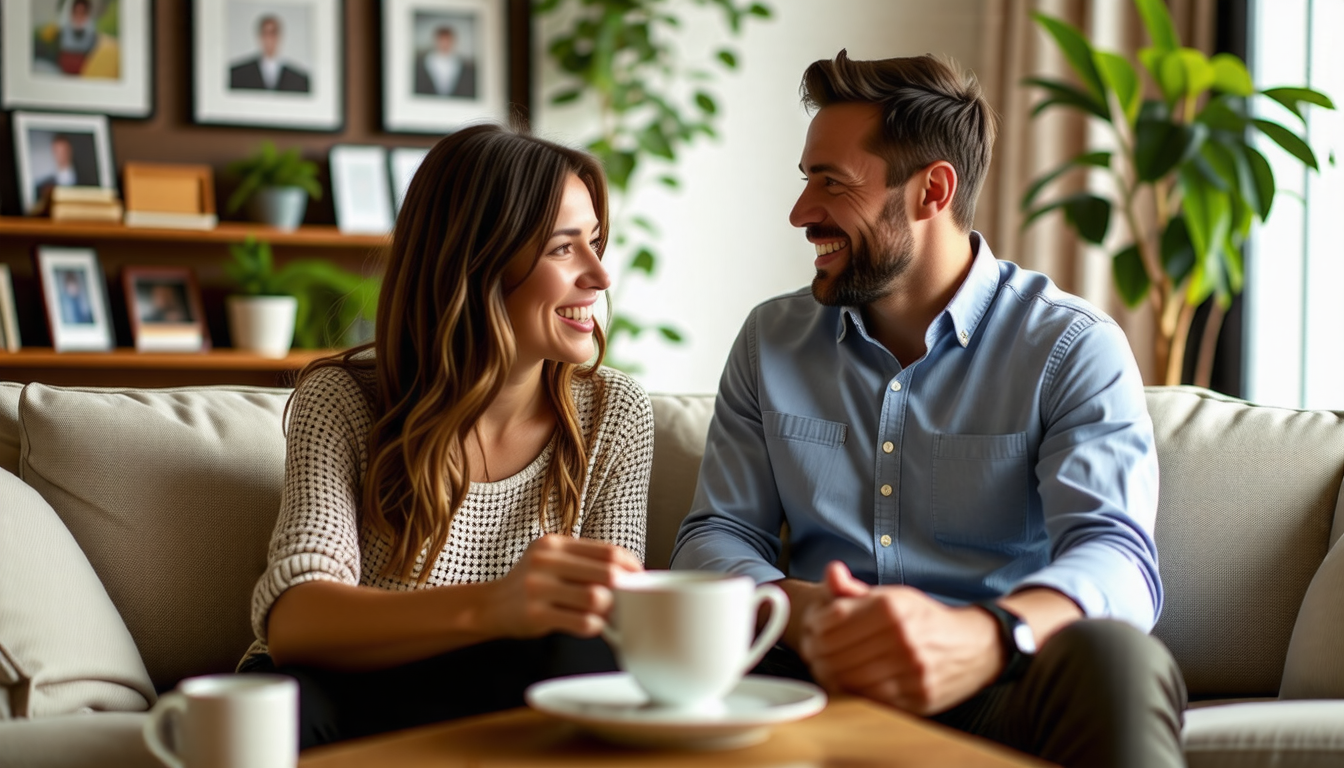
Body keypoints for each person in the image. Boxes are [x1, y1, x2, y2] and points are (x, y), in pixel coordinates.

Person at [670, 51, 1186, 768]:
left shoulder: (1070, 347)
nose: (801, 212)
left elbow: (1118, 558)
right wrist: (799, 608)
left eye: (831, 182)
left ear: (931, 190)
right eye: (805, 180)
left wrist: (986, 635)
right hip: (811, 682)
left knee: (1116, 659)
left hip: (997, 683)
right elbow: (714, 535)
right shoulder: (771, 340)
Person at [239, 123, 653, 749]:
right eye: (563, 249)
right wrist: (497, 605)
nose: (599, 276)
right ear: (477, 258)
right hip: (349, 689)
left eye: (595, 242)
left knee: (587, 654)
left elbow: (610, 637)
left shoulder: (614, 413)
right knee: (273, 712)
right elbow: (296, 620)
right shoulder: (345, 399)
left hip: (502, 693)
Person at [229, 14, 310, 93]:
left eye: (273, 33)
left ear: (279, 36)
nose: (269, 38)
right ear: (260, 36)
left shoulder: (299, 80)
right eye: (265, 33)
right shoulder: (238, 74)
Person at [414, 24, 477, 99]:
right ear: (436, 41)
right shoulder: (422, 63)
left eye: (447, 41)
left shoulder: (463, 65)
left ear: (453, 42)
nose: (444, 45)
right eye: (442, 41)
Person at [56, 0, 99, 76]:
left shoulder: (90, 26)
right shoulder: (67, 24)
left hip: (83, 61)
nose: (79, 13)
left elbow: (90, 47)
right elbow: (64, 43)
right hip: (67, 59)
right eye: (77, 11)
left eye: (82, 12)